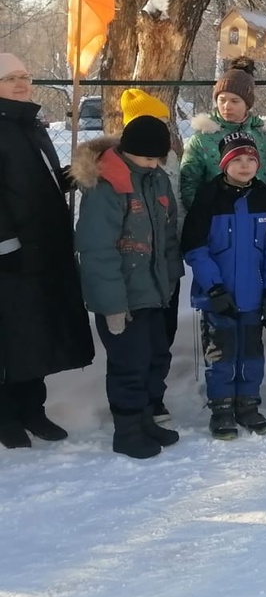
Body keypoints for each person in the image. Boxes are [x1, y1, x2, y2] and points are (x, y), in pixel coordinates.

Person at [73, 116, 182, 458]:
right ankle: (127, 430)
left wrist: (170, 282)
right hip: (123, 296)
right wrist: (112, 306)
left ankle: (146, 418)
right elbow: (96, 249)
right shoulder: (107, 184)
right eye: (148, 157)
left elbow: (166, 237)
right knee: (129, 363)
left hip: (154, 292)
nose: (154, 163)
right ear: (130, 152)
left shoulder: (156, 179)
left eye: (158, 158)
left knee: (155, 357)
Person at [0, 53, 93, 449]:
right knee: (10, 337)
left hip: (45, 249)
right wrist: (6, 245)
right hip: (11, 254)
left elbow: (36, 184)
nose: (22, 84)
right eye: (10, 78)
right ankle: (6, 417)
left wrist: (71, 176)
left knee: (35, 333)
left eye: (25, 76)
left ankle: (33, 410)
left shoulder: (31, 126)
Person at [183, 132, 266, 438]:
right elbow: (195, 248)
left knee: (251, 353)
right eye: (237, 159)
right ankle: (221, 408)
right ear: (224, 163)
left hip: (254, 296)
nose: (245, 166)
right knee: (222, 354)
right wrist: (214, 288)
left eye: (251, 159)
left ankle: (247, 405)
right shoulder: (208, 197)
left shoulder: (264, 198)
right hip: (218, 296)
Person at [120, 89, 185, 360]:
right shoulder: (125, 166)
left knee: (165, 325)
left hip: (167, 249)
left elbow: (177, 198)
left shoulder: (168, 156)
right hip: (138, 258)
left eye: (164, 120)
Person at [180, 56, 266, 209]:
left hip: (258, 216)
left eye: (234, 101)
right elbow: (188, 185)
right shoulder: (203, 138)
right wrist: (203, 216)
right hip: (216, 220)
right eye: (222, 100)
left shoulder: (262, 137)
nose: (227, 106)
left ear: (247, 104)